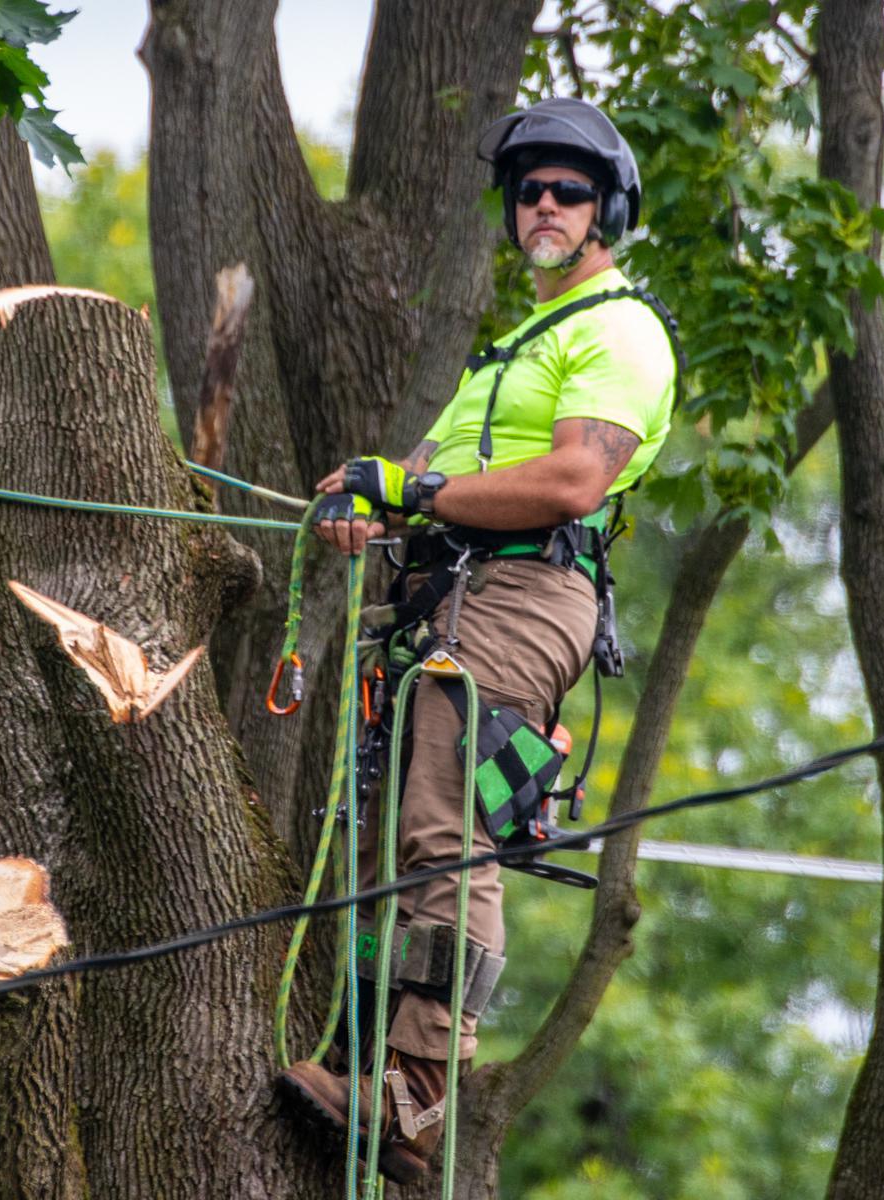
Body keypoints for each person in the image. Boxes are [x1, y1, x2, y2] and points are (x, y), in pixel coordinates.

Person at [277, 97, 679, 1183]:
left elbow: (571, 480)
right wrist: (378, 504)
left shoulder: (617, 329)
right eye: (529, 189)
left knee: (447, 829)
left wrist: (413, 487)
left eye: (570, 190)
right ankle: (364, 1065)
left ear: (608, 211)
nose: (544, 204)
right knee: (387, 838)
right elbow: (433, 484)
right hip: (436, 602)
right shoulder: (509, 356)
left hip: (517, 601)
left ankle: (411, 1097)